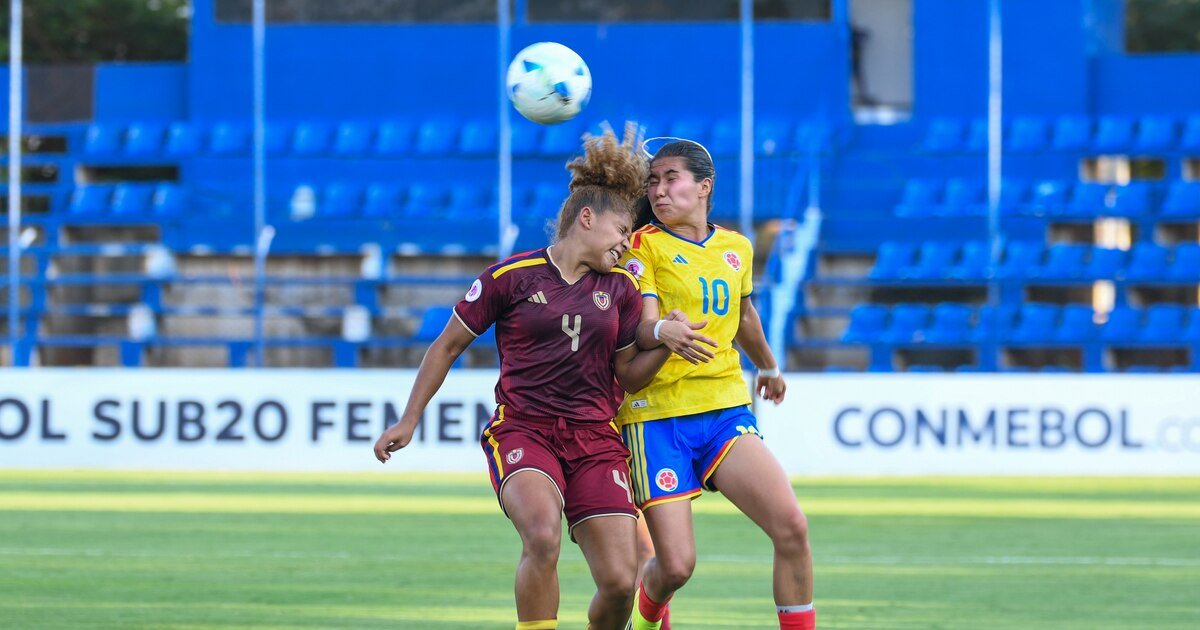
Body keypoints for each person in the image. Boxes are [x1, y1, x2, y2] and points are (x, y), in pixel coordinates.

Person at [373, 127, 711, 630]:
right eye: (621, 230)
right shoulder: (510, 277)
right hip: (525, 431)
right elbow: (446, 346)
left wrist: (667, 343)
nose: (627, 243)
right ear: (587, 218)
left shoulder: (621, 290)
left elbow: (629, 377)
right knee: (542, 535)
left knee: (621, 582)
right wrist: (409, 419)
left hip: (595, 440)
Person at [620, 139, 816, 630]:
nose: (659, 191)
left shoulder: (736, 247)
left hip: (724, 407)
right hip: (655, 415)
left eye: (671, 179)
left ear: (704, 186)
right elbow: (641, 327)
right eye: (653, 181)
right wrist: (663, 332)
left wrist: (767, 367)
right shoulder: (642, 245)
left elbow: (744, 315)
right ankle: (644, 623)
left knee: (792, 527)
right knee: (675, 567)